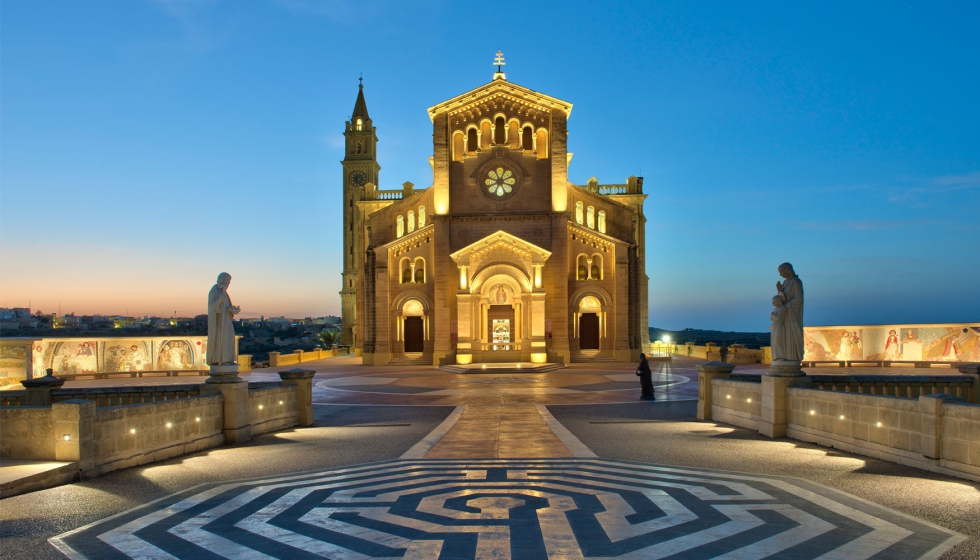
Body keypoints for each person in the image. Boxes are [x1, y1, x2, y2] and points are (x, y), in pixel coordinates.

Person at [772, 262, 805, 362]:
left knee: (790, 336)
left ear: (787, 270)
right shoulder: (785, 282)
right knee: (780, 338)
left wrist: (786, 307)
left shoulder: (796, 282)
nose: (780, 274)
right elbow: (782, 299)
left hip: (791, 314)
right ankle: (782, 356)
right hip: (784, 314)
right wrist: (780, 291)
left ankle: (792, 358)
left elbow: (799, 298)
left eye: (781, 272)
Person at [207, 272, 241, 365]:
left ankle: (228, 359)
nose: (228, 284)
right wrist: (221, 298)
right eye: (228, 282)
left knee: (229, 338)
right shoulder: (215, 290)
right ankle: (221, 360)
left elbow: (226, 307)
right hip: (219, 322)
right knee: (222, 339)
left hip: (226, 320)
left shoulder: (224, 292)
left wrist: (233, 310)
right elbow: (212, 306)